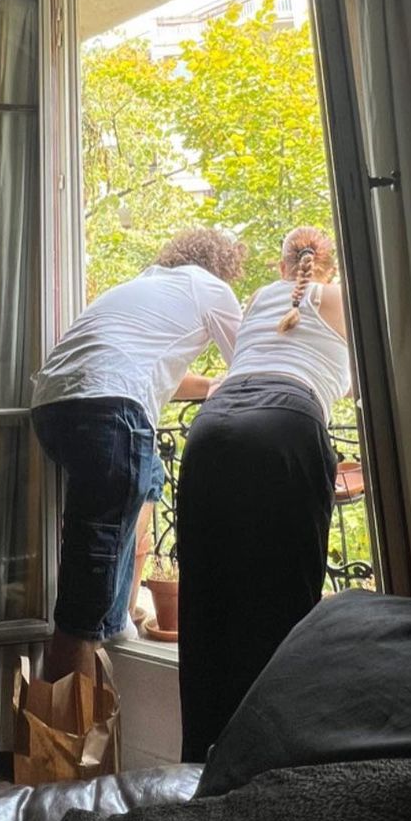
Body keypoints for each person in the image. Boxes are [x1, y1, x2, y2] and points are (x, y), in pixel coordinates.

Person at [31, 227, 246, 682]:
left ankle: (117, 616)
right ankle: (62, 720)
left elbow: (152, 368)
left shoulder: (143, 286)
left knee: (150, 476)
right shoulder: (210, 288)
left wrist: (209, 386)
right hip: (109, 412)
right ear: (222, 265)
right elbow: (250, 363)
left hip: (53, 408)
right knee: (83, 592)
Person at [176, 225, 351, 763]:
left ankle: (203, 767)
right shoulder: (337, 297)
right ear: (329, 266)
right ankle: (276, 769)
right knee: (285, 608)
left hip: (211, 428)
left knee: (205, 608)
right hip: (284, 423)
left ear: (281, 266)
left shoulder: (258, 298)